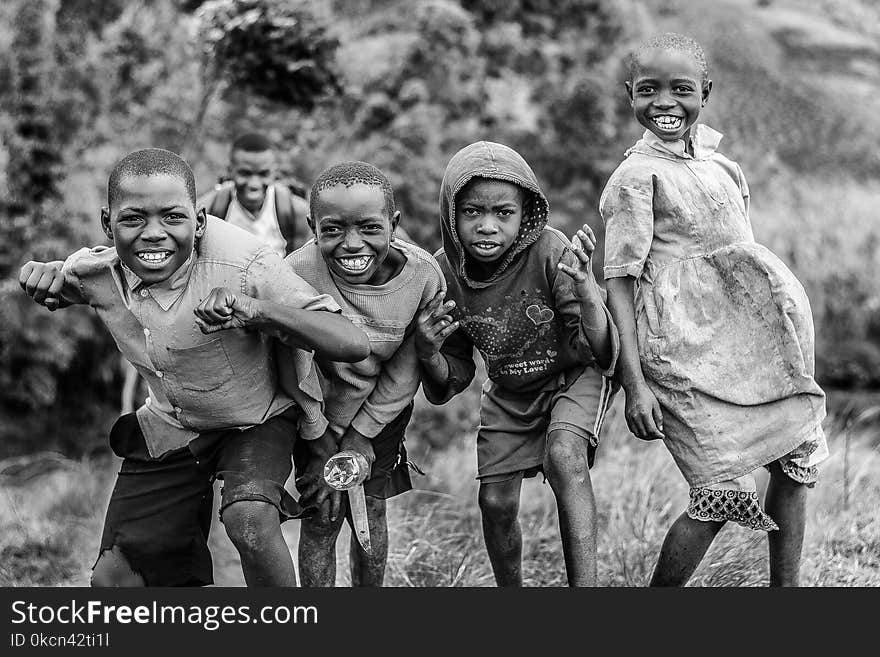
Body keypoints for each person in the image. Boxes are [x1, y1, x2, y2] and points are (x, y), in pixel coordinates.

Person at [19, 148, 370, 587]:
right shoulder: (98, 273)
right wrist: (42, 276)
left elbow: (352, 343)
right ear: (107, 224)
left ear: (199, 221)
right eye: (132, 220)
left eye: (172, 217)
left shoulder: (245, 264)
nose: (153, 234)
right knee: (115, 580)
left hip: (256, 420)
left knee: (249, 519)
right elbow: (60, 284)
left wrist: (256, 310)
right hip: (172, 422)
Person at [601, 33, 828, 587]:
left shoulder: (724, 166)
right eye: (649, 89)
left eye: (681, 89)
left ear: (705, 92)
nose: (665, 102)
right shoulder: (635, 179)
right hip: (683, 356)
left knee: (794, 463)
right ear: (630, 95)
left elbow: (739, 262)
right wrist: (634, 383)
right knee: (721, 496)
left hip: (756, 345)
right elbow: (619, 284)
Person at [416, 141, 619, 586]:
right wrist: (428, 351)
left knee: (565, 455)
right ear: (451, 214)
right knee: (495, 502)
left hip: (573, 374)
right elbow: (449, 381)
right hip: (509, 390)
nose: (487, 227)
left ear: (525, 212)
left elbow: (602, 352)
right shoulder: (443, 274)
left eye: (503, 214)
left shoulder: (551, 251)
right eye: (472, 212)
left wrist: (587, 293)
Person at [289, 161, 445, 586]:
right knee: (322, 516)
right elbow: (293, 360)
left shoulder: (423, 278)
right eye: (333, 229)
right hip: (315, 413)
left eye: (369, 228)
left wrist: (364, 432)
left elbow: (408, 363)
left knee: (369, 513)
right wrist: (316, 431)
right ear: (312, 226)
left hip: (382, 412)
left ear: (394, 224)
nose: (351, 244)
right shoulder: (296, 273)